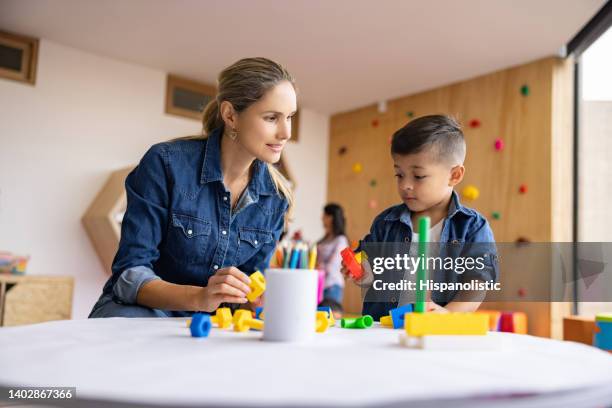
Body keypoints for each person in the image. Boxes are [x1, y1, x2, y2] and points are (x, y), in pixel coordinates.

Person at [90, 57, 297, 318]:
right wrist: (200, 297)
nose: (286, 132)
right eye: (271, 118)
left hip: (208, 325)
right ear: (231, 115)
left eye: (289, 117)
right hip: (142, 313)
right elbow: (129, 274)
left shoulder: (276, 198)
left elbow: (247, 292)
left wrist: (258, 298)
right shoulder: (166, 163)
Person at [342, 115, 498, 320]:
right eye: (399, 175)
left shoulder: (472, 227)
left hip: (437, 336)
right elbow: (370, 272)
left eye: (418, 176)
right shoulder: (386, 223)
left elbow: (477, 282)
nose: (405, 185)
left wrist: (448, 313)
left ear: (454, 176)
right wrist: (361, 271)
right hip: (383, 333)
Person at [316, 203, 349, 315]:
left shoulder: (341, 240)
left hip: (332, 285)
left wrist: (317, 267)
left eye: (324, 215)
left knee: (330, 318)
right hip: (319, 284)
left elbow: (333, 265)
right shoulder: (324, 239)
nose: (322, 218)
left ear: (331, 218)